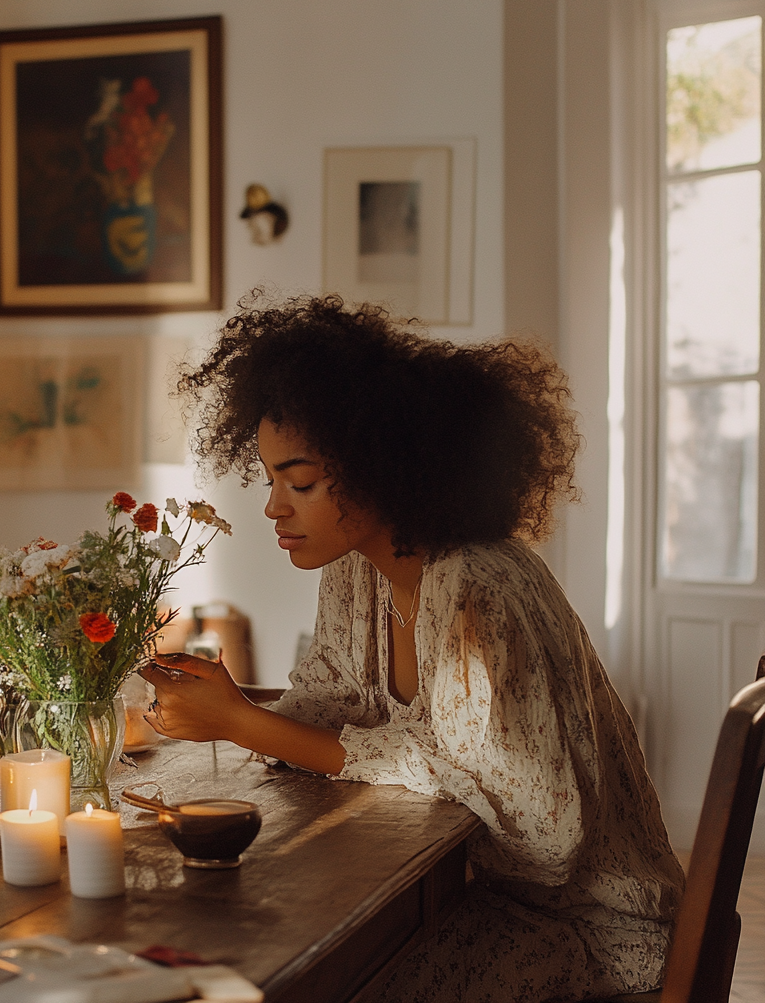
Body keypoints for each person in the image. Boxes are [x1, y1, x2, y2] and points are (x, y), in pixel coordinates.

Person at [142, 294, 684, 1002]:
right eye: (271, 478)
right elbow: (334, 707)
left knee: (329, 981)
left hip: (593, 933)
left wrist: (242, 722)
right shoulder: (355, 573)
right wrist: (233, 705)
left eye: (300, 481)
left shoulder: (477, 588)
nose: (274, 505)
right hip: (486, 901)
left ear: (385, 465)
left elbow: (539, 835)